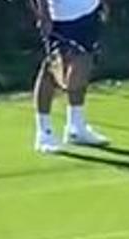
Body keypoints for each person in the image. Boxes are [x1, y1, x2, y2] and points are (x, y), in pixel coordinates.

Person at [30, 0, 111, 153]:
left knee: (83, 66)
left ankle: (76, 127)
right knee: (52, 71)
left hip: (89, 13)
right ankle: (44, 133)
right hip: (60, 19)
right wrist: (44, 14)